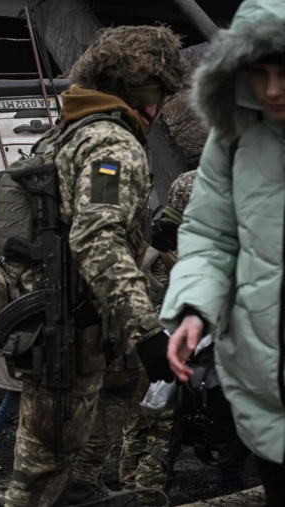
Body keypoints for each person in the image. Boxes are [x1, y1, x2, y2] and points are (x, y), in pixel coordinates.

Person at [0, 25, 184, 507]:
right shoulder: (112, 143)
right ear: (142, 93)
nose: (159, 107)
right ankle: (72, 487)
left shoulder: (64, 133)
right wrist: (147, 332)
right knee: (40, 471)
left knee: (124, 384)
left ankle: (81, 487)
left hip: (69, 315)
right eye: (159, 94)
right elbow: (97, 237)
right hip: (77, 325)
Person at [162, 2, 285, 504]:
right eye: (259, 72)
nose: (272, 90)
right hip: (262, 374)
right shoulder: (232, 137)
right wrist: (194, 308)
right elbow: (211, 233)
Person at [119, 171, 195, 505]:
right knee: (162, 426)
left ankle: (128, 486)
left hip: (133, 340)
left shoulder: (147, 232)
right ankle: (146, 492)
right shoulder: (167, 242)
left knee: (135, 422)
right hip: (156, 339)